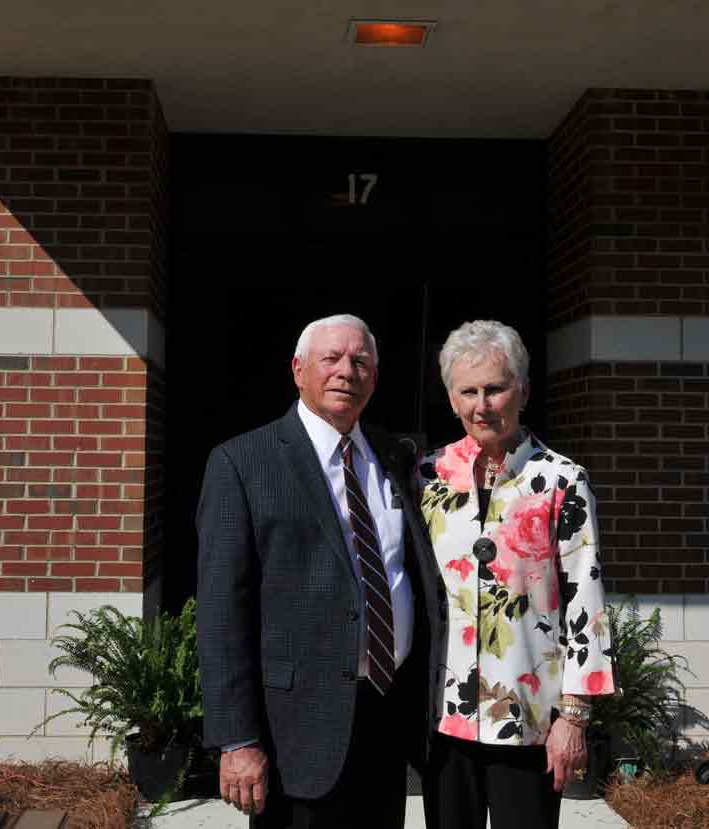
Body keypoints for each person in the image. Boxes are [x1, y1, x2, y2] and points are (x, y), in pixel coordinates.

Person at [196, 313, 444, 829]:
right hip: (296, 729)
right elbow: (221, 613)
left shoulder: (392, 456)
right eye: (330, 358)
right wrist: (238, 740)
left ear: (374, 378)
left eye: (360, 361)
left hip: (386, 713)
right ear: (298, 369)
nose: (345, 371)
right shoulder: (243, 462)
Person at [414, 320, 615, 829]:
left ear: (522, 390)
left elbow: (584, 601)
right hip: (445, 718)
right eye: (469, 391)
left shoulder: (561, 480)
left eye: (496, 388)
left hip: (530, 719)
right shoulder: (426, 476)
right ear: (452, 399)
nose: (483, 404)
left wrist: (574, 717)